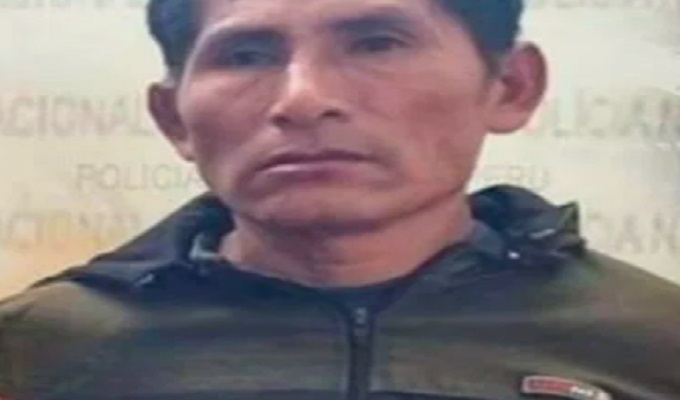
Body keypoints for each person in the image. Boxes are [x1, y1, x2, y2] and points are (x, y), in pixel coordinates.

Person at [1, 0, 679, 399]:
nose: (304, 99)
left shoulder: (654, 342)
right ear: (172, 116)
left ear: (510, 86)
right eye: (245, 55)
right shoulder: (37, 351)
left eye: (377, 43)